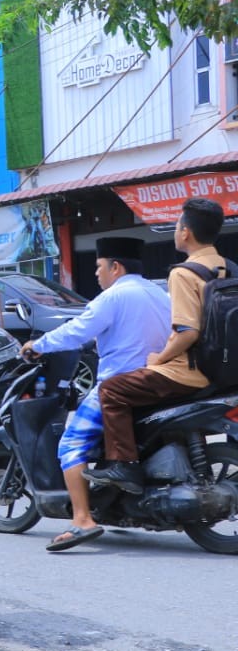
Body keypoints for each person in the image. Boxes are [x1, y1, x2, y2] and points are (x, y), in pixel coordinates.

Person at [20, 237, 170, 551]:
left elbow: (77, 331)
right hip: (158, 382)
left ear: (115, 267)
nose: (97, 274)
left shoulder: (113, 297)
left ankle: (82, 519)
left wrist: (38, 345)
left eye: (99, 267)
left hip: (117, 384)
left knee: (71, 444)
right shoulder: (160, 294)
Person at [86, 198, 231, 493]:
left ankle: (124, 465)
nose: (176, 230)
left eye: (178, 224)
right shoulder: (229, 268)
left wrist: (159, 358)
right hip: (223, 372)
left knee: (111, 390)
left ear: (186, 232)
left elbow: (187, 332)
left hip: (187, 372)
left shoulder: (184, 273)